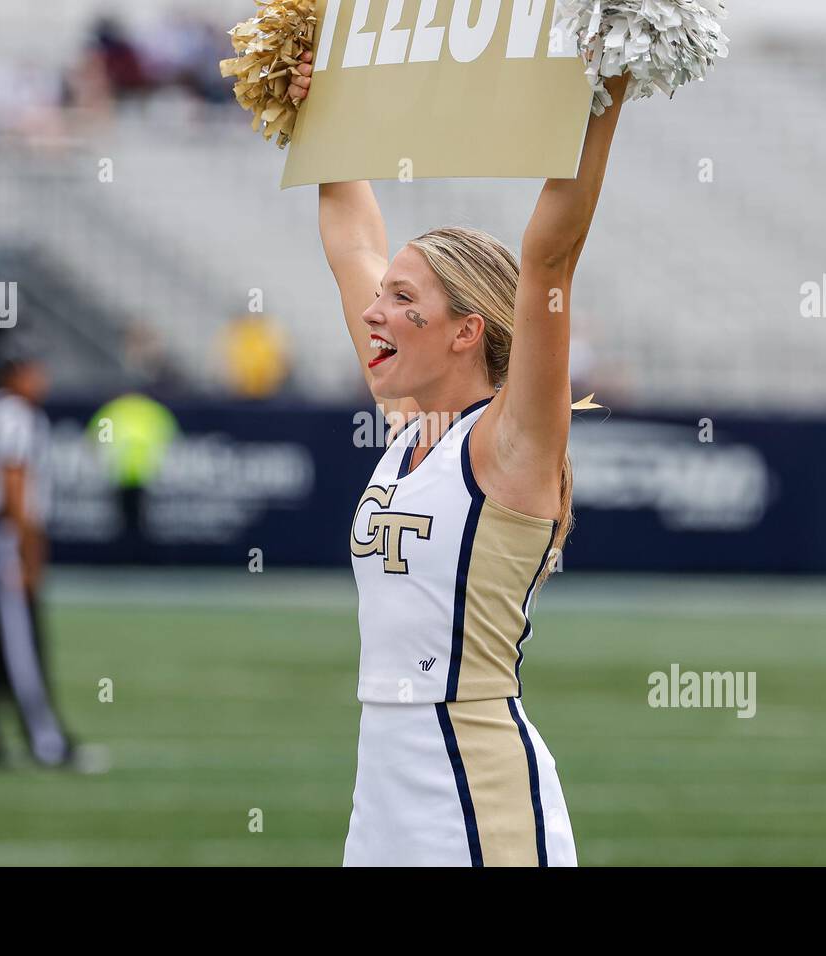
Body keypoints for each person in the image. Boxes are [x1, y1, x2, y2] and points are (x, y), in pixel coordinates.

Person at [288, 51, 632, 865]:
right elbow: (349, 234)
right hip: (381, 791)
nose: (374, 311)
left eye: (402, 299)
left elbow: (550, 256)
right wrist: (318, 108)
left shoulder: (511, 444)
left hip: (476, 794)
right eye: (383, 294)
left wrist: (611, 84)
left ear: (466, 330)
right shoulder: (409, 419)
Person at [0, 343, 102, 771]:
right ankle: (46, 740)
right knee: (22, 642)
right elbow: (14, 482)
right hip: (3, 534)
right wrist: (28, 548)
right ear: (14, 373)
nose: (43, 378)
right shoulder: (15, 416)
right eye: (35, 369)